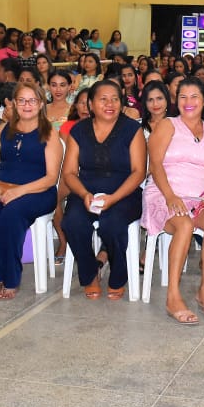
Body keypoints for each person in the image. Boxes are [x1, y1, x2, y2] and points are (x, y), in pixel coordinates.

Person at [142, 77, 204, 323]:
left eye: (194, 97)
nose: (188, 102)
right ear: (176, 101)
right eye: (182, 97)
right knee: (184, 224)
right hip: (164, 192)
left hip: (198, 197)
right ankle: (173, 296)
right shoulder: (168, 125)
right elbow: (155, 164)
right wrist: (170, 196)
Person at [61, 80, 146, 299]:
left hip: (124, 192)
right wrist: (83, 194)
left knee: (111, 224)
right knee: (72, 223)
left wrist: (114, 198)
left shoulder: (132, 129)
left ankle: (118, 274)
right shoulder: (79, 130)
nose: (110, 104)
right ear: (90, 104)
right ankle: (89, 273)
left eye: (115, 99)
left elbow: (138, 172)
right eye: (103, 99)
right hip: (86, 190)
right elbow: (69, 172)